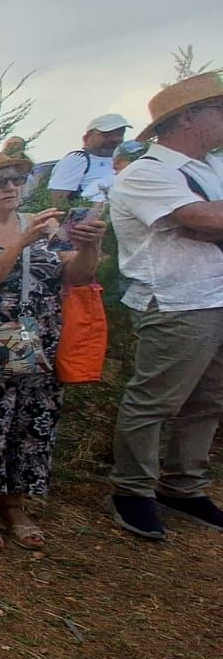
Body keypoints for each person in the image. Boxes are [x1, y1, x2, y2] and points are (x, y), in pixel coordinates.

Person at [0, 149, 104, 550]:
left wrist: (90, 246)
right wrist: (21, 242)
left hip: (44, 333)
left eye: (15, 180)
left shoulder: (43, 225)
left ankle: (16, 502)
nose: (10, 188)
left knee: (36, 417)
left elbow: (79, 274)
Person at [107, 73, 223, 539]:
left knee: (210, 398)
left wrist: (208, 222)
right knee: (155, 399)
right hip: (176, 299)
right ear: (188, 117)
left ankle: (183, 486)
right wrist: (205, 219)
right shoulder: (147, 173)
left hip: (215, 294)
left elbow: (207, 223)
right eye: (218, 109)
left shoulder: (212, 168)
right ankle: (132, 491)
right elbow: (196, 218)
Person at [49, 114, 132, 206]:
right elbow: (58, 200)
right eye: (107, 135)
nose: (115, 139)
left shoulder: (121, 160)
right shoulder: (77, 159)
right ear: (87, 137)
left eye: (119, 134)